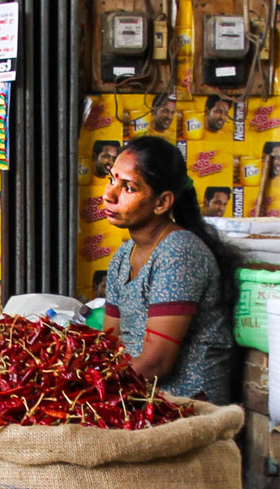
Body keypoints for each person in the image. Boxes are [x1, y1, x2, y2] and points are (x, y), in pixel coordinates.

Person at [100, 136, 239, 403]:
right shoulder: (121, 257)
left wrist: (89, 390)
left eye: (128, 188)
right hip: (138, 392)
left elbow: (157, 363)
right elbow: (109, 343)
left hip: (186, 403)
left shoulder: (179, 251)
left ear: (162, 202)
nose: (110, 194)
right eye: (111, 179)